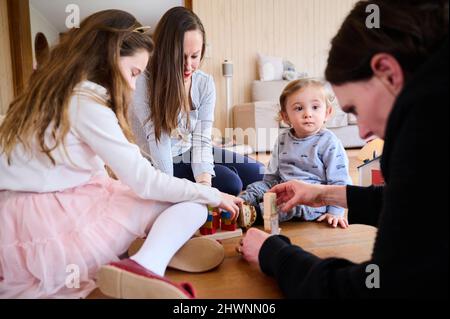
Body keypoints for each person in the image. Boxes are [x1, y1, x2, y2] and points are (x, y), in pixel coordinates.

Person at [0, 10, 242, 299]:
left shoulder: (63, 93)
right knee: (194, 205)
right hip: (44, 215)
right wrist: (211, 195)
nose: (131, 84)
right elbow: (143, 179)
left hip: (27, 205)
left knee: (182, 195)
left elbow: (91, 167)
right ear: (109, 58)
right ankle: (145, 263)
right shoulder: (87, 102)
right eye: (133, 73)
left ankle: (148, 245)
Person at [239, 0, 448, 298]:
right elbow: (416, 203)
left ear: (387, 72)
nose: (362, 132)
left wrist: (275, 254)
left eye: (355, 109)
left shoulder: (423, 137)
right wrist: (322, 194)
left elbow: (377, 286)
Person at [130, 6, 265, 196]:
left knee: (260, 173)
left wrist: (204, 182)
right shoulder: (143, 81)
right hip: (158, 160)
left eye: (195, 56)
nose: (188, 65)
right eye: (180, 57)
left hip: (191, 151)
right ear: (165, 53)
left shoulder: (204, 83)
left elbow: (201, 140)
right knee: (232, 183)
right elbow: (158, 140)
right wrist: (169, 190)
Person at [239, 79, 352, 228]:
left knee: (288, 205)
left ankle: (255, 214)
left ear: (327, 112)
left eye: (315, 107)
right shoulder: (283, 138)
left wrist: (335, 212)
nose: (308, 114)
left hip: (312, 198)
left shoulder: (329, 142)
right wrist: (265, 190)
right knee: (254, 187)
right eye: (299, 109)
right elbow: (273, 171)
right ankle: (238, 205)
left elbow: (340, 182)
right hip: (282, 186)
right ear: (285, 117)